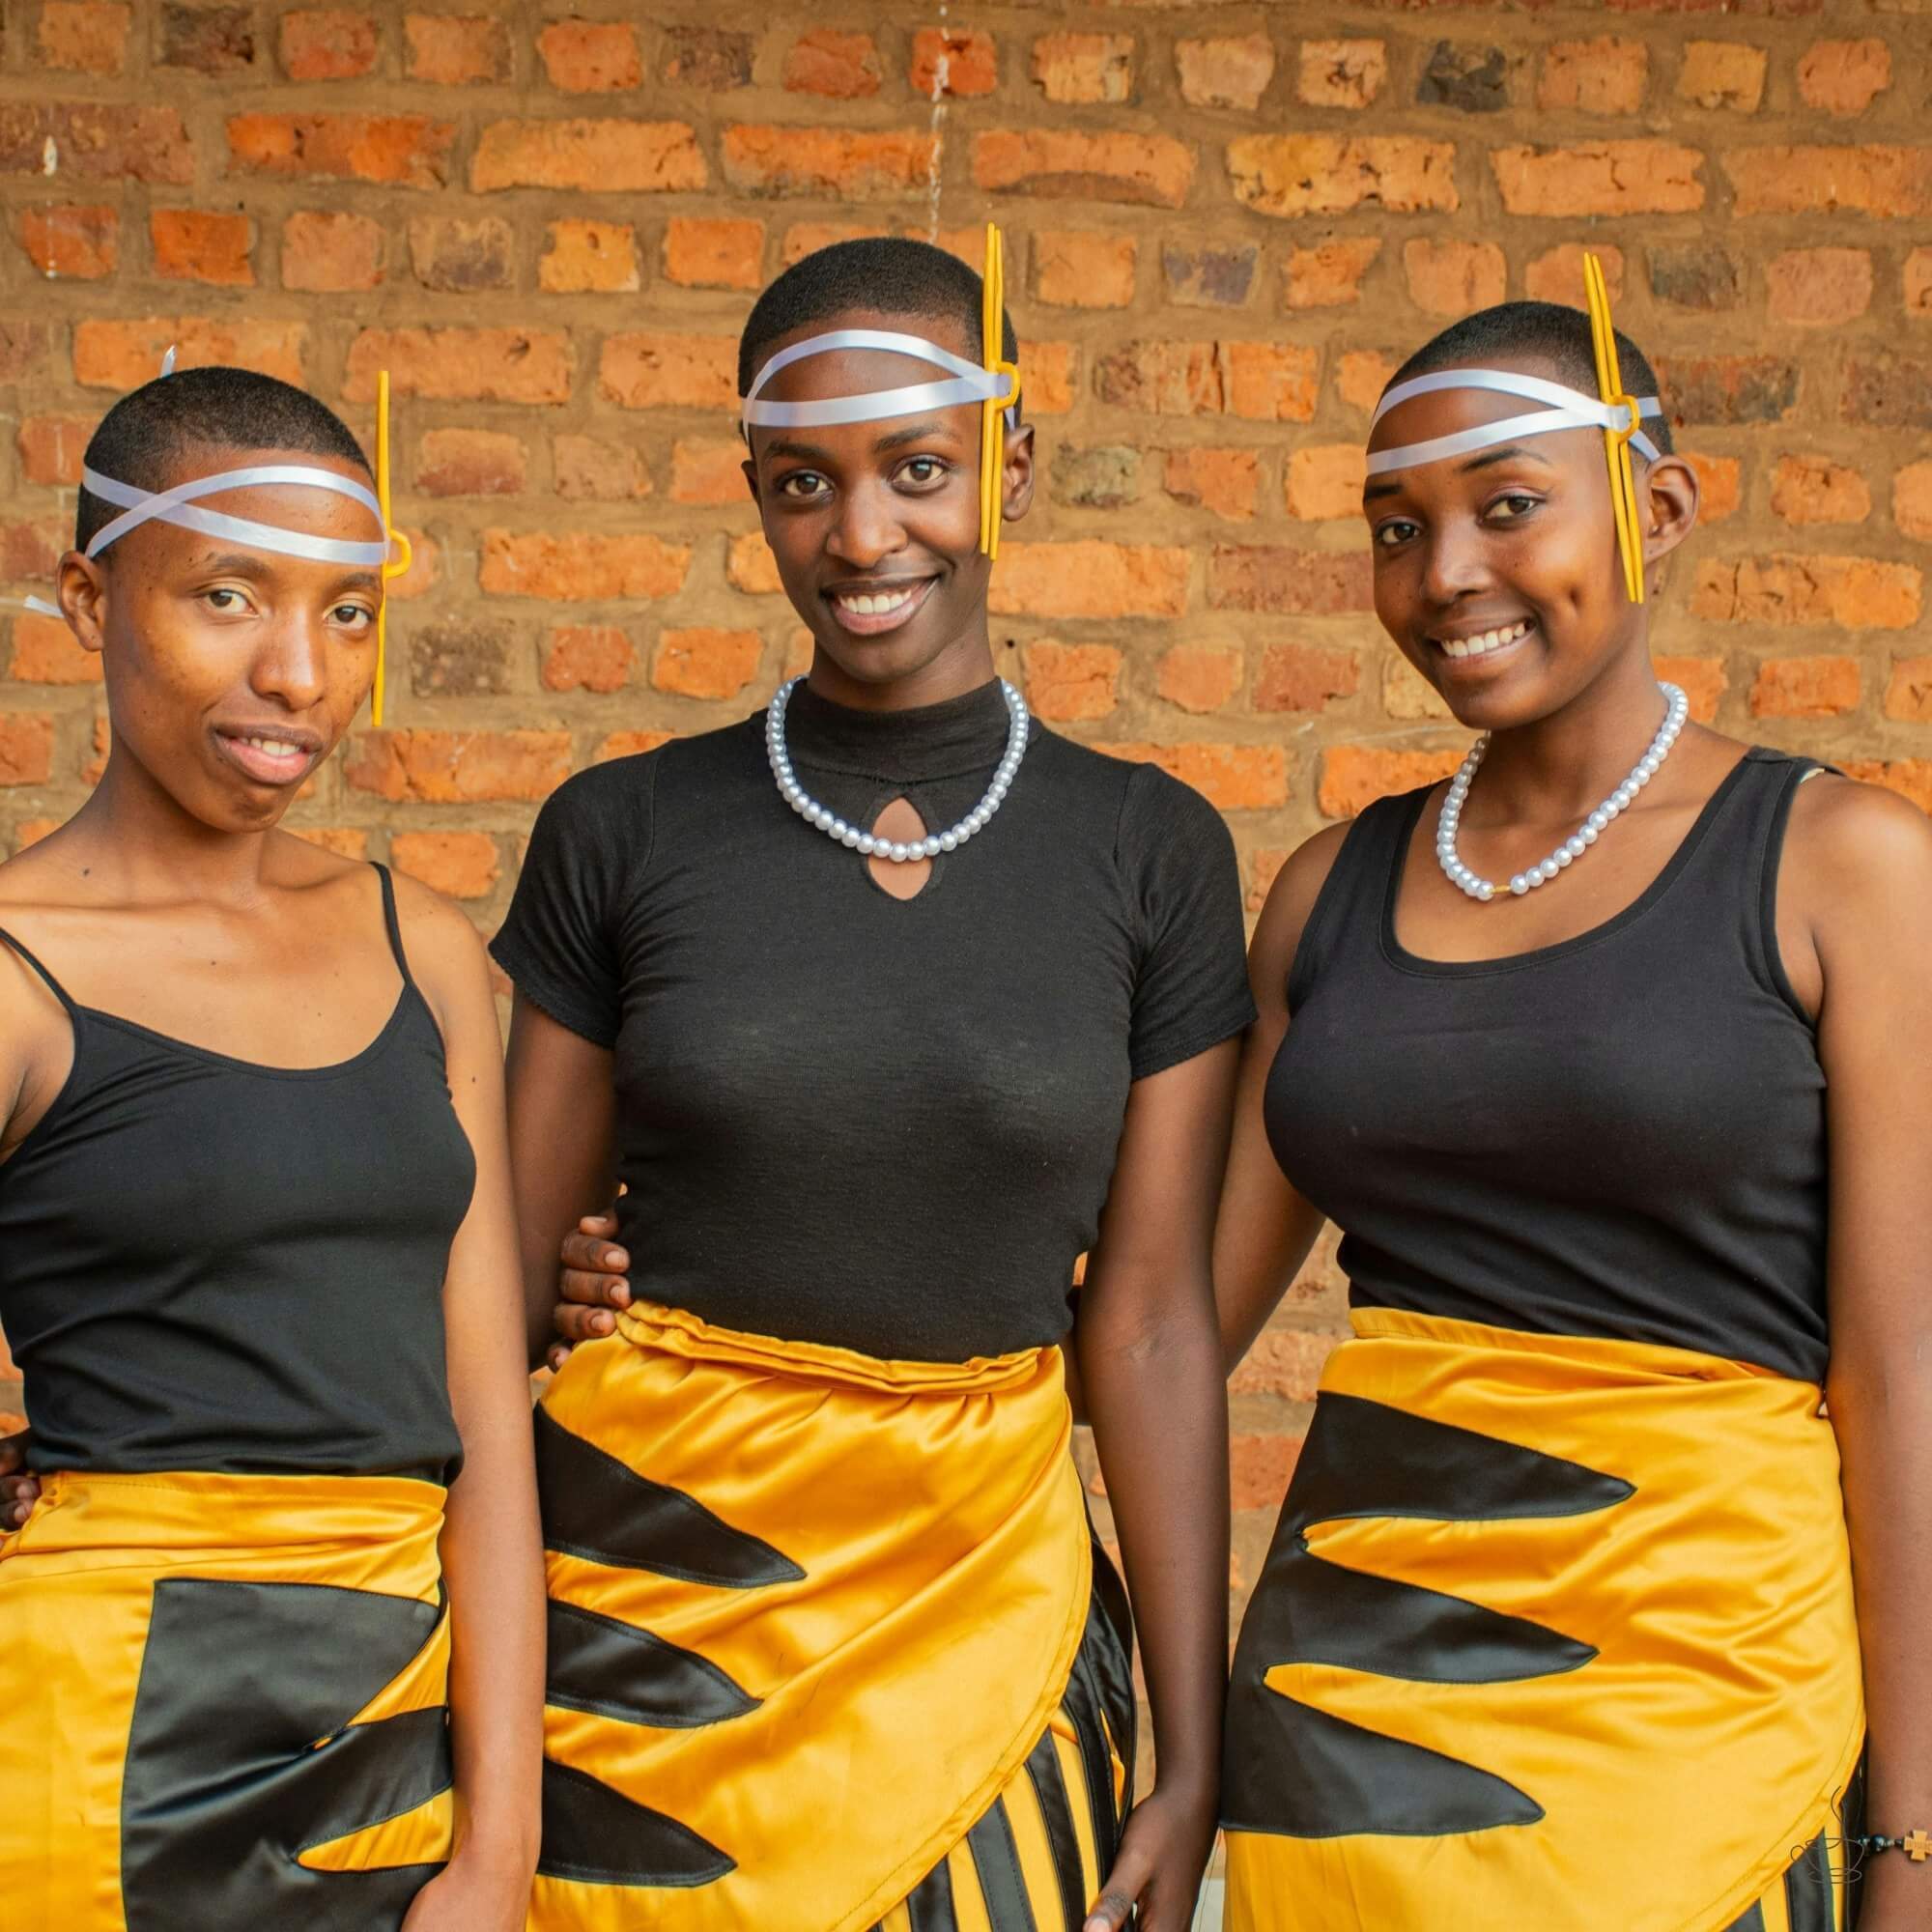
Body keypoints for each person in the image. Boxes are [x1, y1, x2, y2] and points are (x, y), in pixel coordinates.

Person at [494, 234, 1249, 1932]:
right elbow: (486, 1292)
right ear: (752, 491)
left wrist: (1192, 1760)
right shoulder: (623, 831)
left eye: (919, 470)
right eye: (800, 483)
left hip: (988, 1614)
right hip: (642, 1611)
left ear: (1013, 462)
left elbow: (1144, 1324)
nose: (860, 536)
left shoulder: (1150, 849)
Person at [1212, 279, 1932, 1928]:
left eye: (1508, 507)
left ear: (1659, 507)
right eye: (1398, 527)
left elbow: (1903, 1376)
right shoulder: (1330, 890)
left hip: (1695, 1711)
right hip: (1345, 1729)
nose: (1447, 574)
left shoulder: (1843, 867)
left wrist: (1912, 1840)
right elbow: (1161, 1326)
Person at [0, 366, 544, 1929]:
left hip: (397, 1741)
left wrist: (494, 1853)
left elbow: (486, 1439)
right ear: (92, 600)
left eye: (349, 612)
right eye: (229, 595)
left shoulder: (419, 944)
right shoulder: (19, 967)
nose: (298, 673)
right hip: (103, 1747)